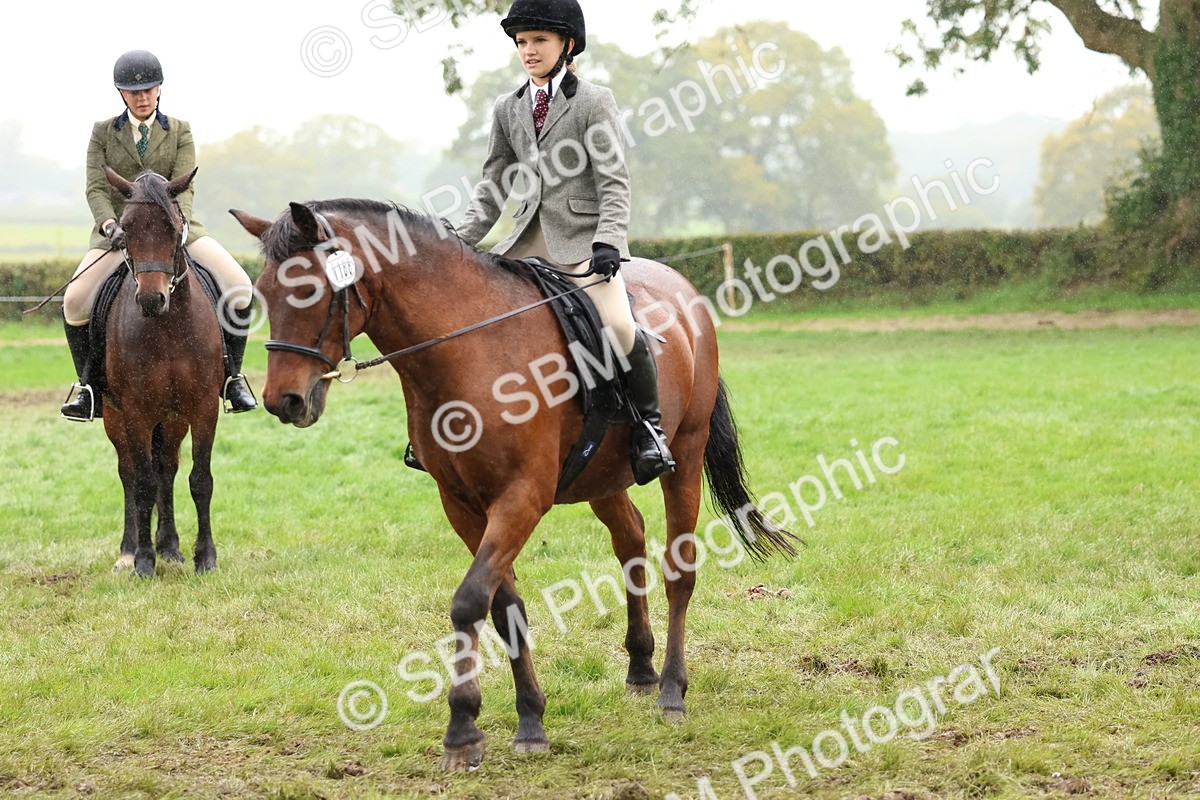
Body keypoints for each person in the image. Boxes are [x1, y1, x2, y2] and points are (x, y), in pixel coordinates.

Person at [456, 0, 674, 485]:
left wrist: (609, 241)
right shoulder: (507, 108)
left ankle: (649, 431)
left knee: (618, 324)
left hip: (582, 244)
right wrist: (459, 238)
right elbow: (492, 184)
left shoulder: (594, 101)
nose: (527, 51)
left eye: (538, 41)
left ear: (567, 45)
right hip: (523, 240)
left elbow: (614, 180)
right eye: (521, 42)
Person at [60, 49, 257, 420]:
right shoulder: (103, 132)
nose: (142, 97)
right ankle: (88, 388)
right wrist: (109, 225)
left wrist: (177, 227)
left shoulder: (179, 130)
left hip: (176, 232)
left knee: (241, 286)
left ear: (160, 88)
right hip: (119, 235)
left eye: (149, 89)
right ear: (121, 94)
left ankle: (233, 378)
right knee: (74, 301)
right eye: (134, 92)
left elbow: (185, 185)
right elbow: (96, 189)